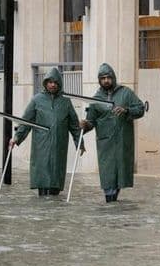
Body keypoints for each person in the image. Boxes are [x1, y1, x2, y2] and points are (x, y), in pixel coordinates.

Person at [9, 67, 83, 196]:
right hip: (41, 147)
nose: (53, 84)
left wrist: (80, 143)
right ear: (45, 83)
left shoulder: (66, 101)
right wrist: (16, 138)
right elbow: (25, 122)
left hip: (59, 147)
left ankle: (53, 211)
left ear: (59, 83)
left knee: (55, 183)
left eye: (55, 82)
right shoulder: (37, 100)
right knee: (43, 182)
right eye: (50, 82)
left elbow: (75, 126)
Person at [80, 63, 145, 203]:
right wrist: (85, 125)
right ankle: (110, 203)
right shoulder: (95, 99)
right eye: (103, 78)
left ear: (113, 78)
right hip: (105, 143)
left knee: (120, 175)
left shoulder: (126, 93)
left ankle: (114, 205)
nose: (106, 80)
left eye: (108, 77)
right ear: (99, 80)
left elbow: (140, 109)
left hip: (122, 141)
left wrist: (127, 110)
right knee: (108, 175)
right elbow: (91, 122)